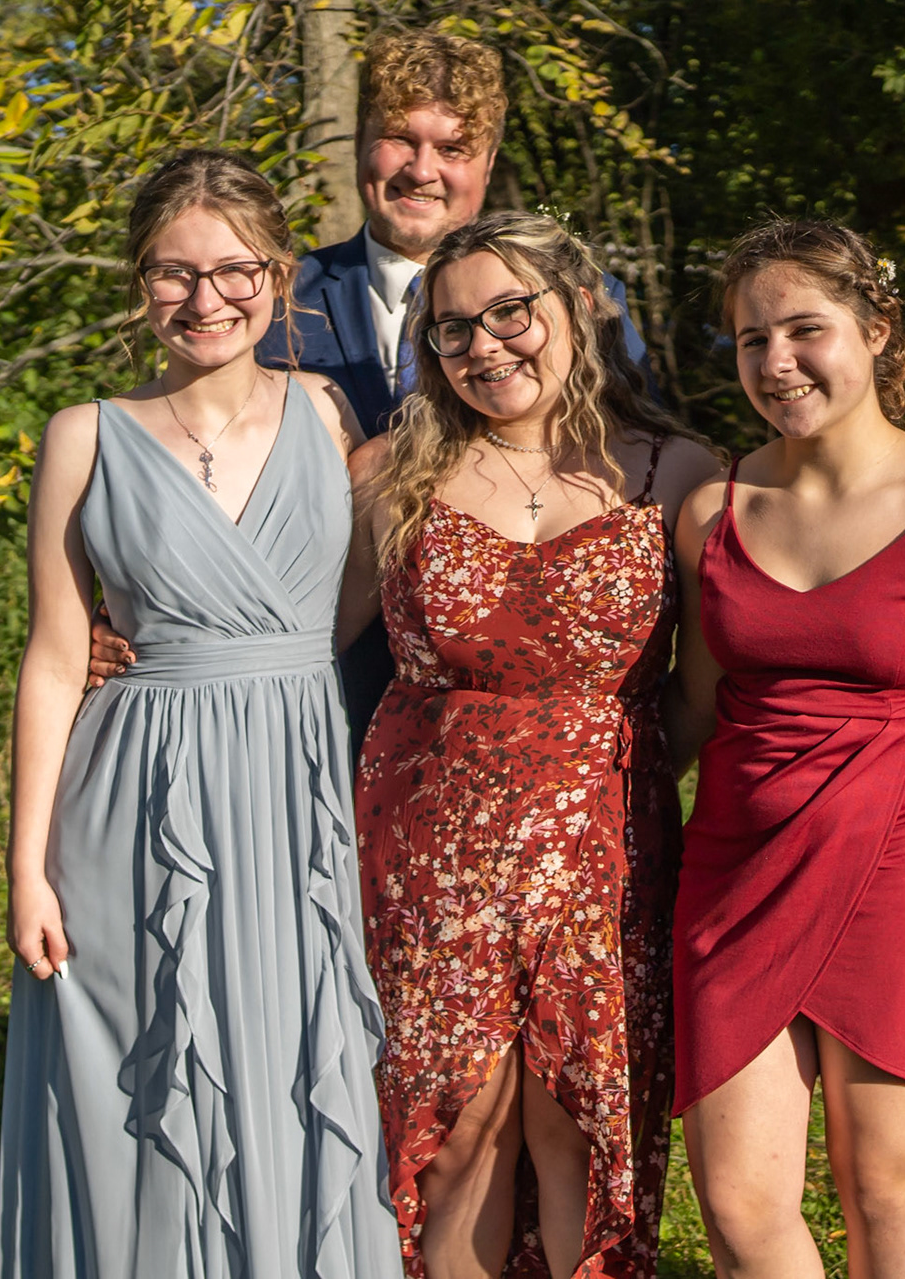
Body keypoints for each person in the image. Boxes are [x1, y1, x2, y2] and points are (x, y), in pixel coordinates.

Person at [0, 149, 401, 1278]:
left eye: (233, 270)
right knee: (145, 1080)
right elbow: (53, 656)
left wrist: (263, 660)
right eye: (173, 273)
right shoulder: (83, 433)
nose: (204, 298)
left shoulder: (328, 412)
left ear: (278, 275)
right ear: (141, 283)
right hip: (135, 803)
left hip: (291, 793)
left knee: (292, 1058)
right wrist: (26, 869)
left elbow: (357, 602)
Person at [667, 220, 905, 1279]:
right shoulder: (714, 509)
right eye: (752, 339)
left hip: (896, 877)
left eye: (804, 330)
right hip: (734, 878)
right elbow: (693, 708)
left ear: (877, 330)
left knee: (882, 1185)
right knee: (739, 1206)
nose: (777, 362)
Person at [94, 30, 648, 744]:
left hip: (520, 714)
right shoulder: (263, 300)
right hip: (300, 707)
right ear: (360, 142)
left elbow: (635, 488)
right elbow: (181, 463)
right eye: (399, 139)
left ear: (488, 161)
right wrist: (116, 615)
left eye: (453, 148)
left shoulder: (582, 307)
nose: (422, 170)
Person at [351, 210, 718, 1279]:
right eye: (454, 327)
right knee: (456, 1127)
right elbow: (287, 636)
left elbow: (707, 685)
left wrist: (599, 780)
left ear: (581, 306)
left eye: (511, 311)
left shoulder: (679, 472)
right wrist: (119, 641)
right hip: (432, 851)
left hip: (603, 848)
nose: (485, 345)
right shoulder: (388, 474)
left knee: (579, 1128)